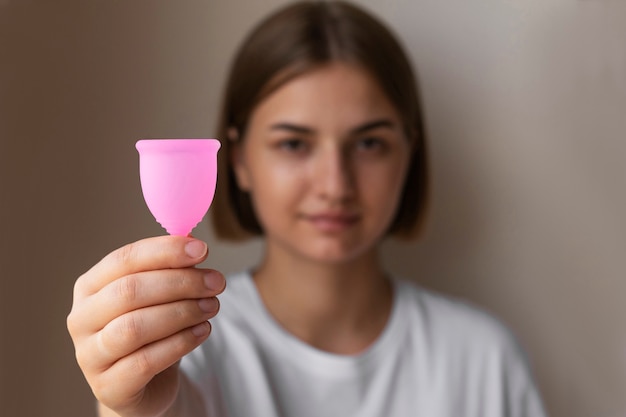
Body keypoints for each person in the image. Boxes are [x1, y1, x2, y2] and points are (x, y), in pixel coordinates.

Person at [67, 2, 547, 416]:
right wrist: (126, 407)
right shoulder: (185, 344)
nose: (335, 185)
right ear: (238, 160)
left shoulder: (484, 360)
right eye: (294, 144)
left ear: (409, 153)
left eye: (369, 143)